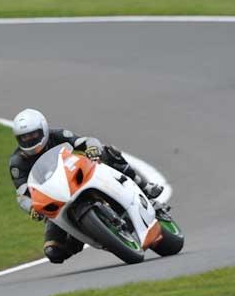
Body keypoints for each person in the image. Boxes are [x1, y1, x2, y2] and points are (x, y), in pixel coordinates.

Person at [9, 109, 164, 264]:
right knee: (53, 251)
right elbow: (22, 194)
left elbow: (85, 141)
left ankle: (144, 187)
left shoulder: (57, 134)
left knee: (108, 152)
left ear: (43, 129)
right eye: (24, 137)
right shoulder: (17, 162)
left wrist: (92, 148)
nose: (29, 139)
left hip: (77, 175)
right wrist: (32, 208)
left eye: (33, 134)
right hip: (56, 197)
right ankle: (87, 234)